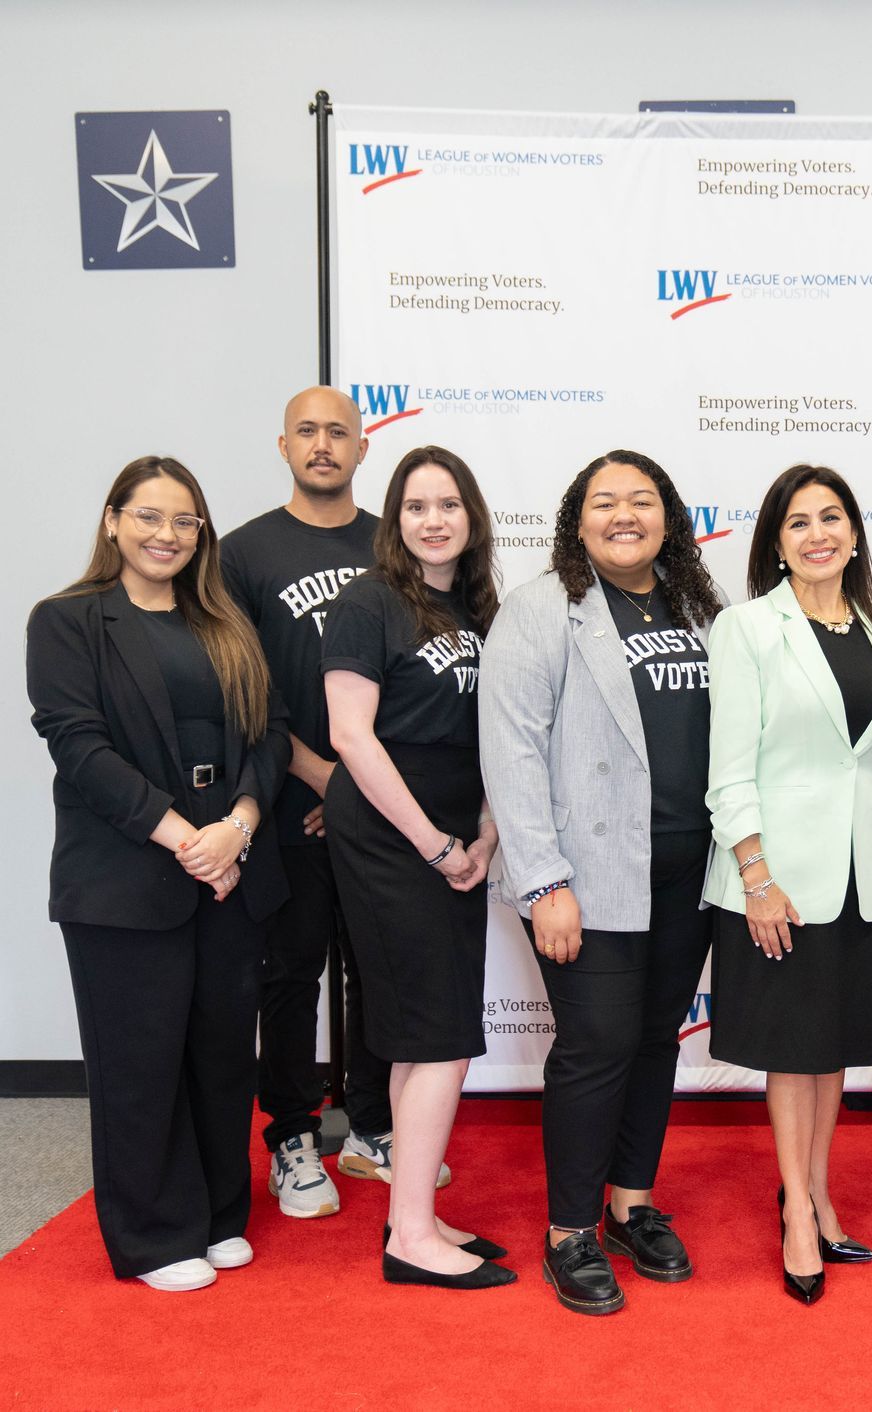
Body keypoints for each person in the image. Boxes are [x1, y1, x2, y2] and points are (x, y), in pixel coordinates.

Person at [27, 456, 288, 1291]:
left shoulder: (224, 622)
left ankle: (216, 1216)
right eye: (147, 517)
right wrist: (188, 838)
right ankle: (150, 1237)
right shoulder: (68, 621)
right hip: (126, 877)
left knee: (220, 1056)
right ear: (112, 522)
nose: (166, 535)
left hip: (230, 870)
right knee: (139, 1062)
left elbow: (270, 734)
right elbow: (78, 746)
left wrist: (239, 826)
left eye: (184, 521)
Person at [480, 450, 725, 1315]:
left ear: (669, 516)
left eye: (643, 500)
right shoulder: (541, 611)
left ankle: (631, 1205)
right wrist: (544, 881)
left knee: (657, 1039)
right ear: (576, 519)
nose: (625, 515)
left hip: (687, 874)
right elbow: (510, 753)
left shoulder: (699, 605)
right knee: (596, 1045)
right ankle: (569, 1231)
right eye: (604, 502)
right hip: (588, 875)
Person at [704, 465, 872, 1306]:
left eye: (832, 518)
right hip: (777, 878)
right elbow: (729, 767)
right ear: (777, 544)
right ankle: (795, 1209)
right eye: (798, 523)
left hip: (861, 879)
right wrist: (757, 877)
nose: (818, 533)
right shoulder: (747, 628)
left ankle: (821, 1191)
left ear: (856, 534)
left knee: (830, 1054)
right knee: (792, 1056)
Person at [222, 386, 421, 1220]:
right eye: (307, 431)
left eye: (339, 431)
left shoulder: (395, 544)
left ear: (364, 446)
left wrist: (367, 794)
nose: (323, 444)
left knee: (380, 973)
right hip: (296, 802)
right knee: (292, 973)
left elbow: (416, 683)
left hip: (375, 811)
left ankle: (374, 1132)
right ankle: (294, 1136)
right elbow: (242, 688)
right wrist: (319, 778)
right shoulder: (242, 553)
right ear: (283, 446)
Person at [322, 445, 511, 1290]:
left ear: (471, 517)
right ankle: (409, 1239)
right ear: (394, 521)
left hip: (454, 839)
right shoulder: (368, 603)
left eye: (448, 505)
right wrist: (433, 844)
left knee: (417, 1036)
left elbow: (499, 736)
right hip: (392, 838)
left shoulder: (478, 611)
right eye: (415, 506)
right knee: (439, 1038)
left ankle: (413, 1215)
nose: (433, 520)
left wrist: (483, 834)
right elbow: (352, 736)